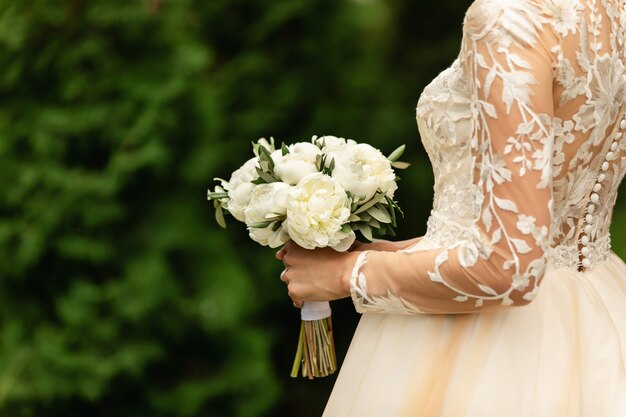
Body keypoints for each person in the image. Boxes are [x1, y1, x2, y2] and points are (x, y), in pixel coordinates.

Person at [276, 0, 626, 415]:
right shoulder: (613, 13)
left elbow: (510, 267)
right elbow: (530, 227)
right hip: (596, 313)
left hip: (491, 348)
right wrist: (394, 253)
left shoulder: (506, 19)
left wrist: (347, 274)